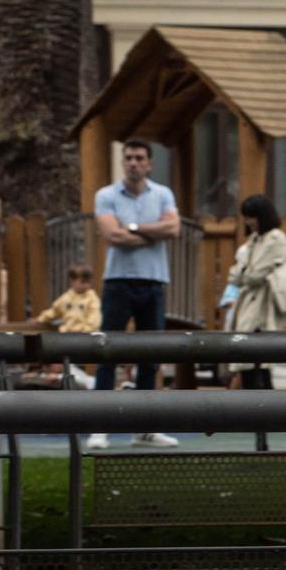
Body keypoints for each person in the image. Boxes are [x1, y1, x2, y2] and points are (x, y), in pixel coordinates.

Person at [88, 138, 180, 450]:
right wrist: (150, 232)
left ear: (149, 163)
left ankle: (145, 428)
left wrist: (132, 228)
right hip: (118, 281)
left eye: (139, 158)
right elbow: (112, 235)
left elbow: (173, 229)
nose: (133, 163)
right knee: (107, 353)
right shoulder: (106, 195)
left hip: (153, 281)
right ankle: (99, 427)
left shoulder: (163, 193)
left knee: (150, 356)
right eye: (128, 158)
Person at [221, 193, 286, 390]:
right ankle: (259, 408)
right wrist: (244, 274)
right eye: (246, 216)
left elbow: (254, 274)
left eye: (251, 216)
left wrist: (244, 274)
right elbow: (237, 274)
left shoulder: (275, 238)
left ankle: (263, 408)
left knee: (258, 360)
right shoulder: (254, 240)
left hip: (262, 303)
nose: (248, 221)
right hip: (249, 303)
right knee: (249, 362)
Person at [33, 264, 102, 388]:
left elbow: (94, 320)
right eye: (82, 281)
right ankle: (63, 380)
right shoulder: (66, 298)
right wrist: (41, 318)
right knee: (64, 361)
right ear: (72, 280)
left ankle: (86, 383)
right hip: (66, 337)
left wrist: (85, 331)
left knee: (81, 364)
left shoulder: (92, 298)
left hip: (85, 337)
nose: (86, 285)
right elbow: (54, 311)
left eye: (88, 282)